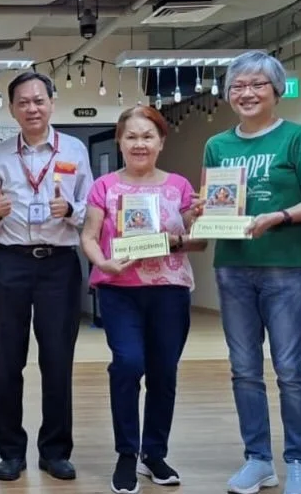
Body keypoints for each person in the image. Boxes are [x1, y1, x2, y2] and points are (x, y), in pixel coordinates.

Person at [203, 51, 301, 494]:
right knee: (243, 369)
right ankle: (258, 459)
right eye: (237, 86)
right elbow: (218, 201)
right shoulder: (217, 145)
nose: (247, 93)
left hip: (286, 268)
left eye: (257, 84)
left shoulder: (299, 138)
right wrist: (205, 210)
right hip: (233, 268)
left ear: (276, 90)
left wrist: (278, 215)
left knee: (290, 368)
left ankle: (298, 461)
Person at [80, 106, 207, 494]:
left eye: (147, 136)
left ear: (161, 142)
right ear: (119, 141)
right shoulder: (104, 186)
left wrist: (184, 232)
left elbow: (199, 242)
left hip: (169, 288)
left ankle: (154, 454)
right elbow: (88, 235)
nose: (139, 144)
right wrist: (103, 263)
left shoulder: (181, 187)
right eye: (131, 136)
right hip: (120, 290)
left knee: (163, 372)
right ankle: (126, 453)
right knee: (127, 364)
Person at [0, 71, 93, 482]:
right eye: (23, 102)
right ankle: (11, 452)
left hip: (59, 265)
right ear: (12, 109)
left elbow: (91, 209)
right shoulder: (1, 153)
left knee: (57, 361)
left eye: (38, 100)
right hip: (10, 263)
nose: (32, 108)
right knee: (6, 362)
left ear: (51, 102)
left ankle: (55, 451)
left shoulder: (76, 150)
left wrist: (73, 212)